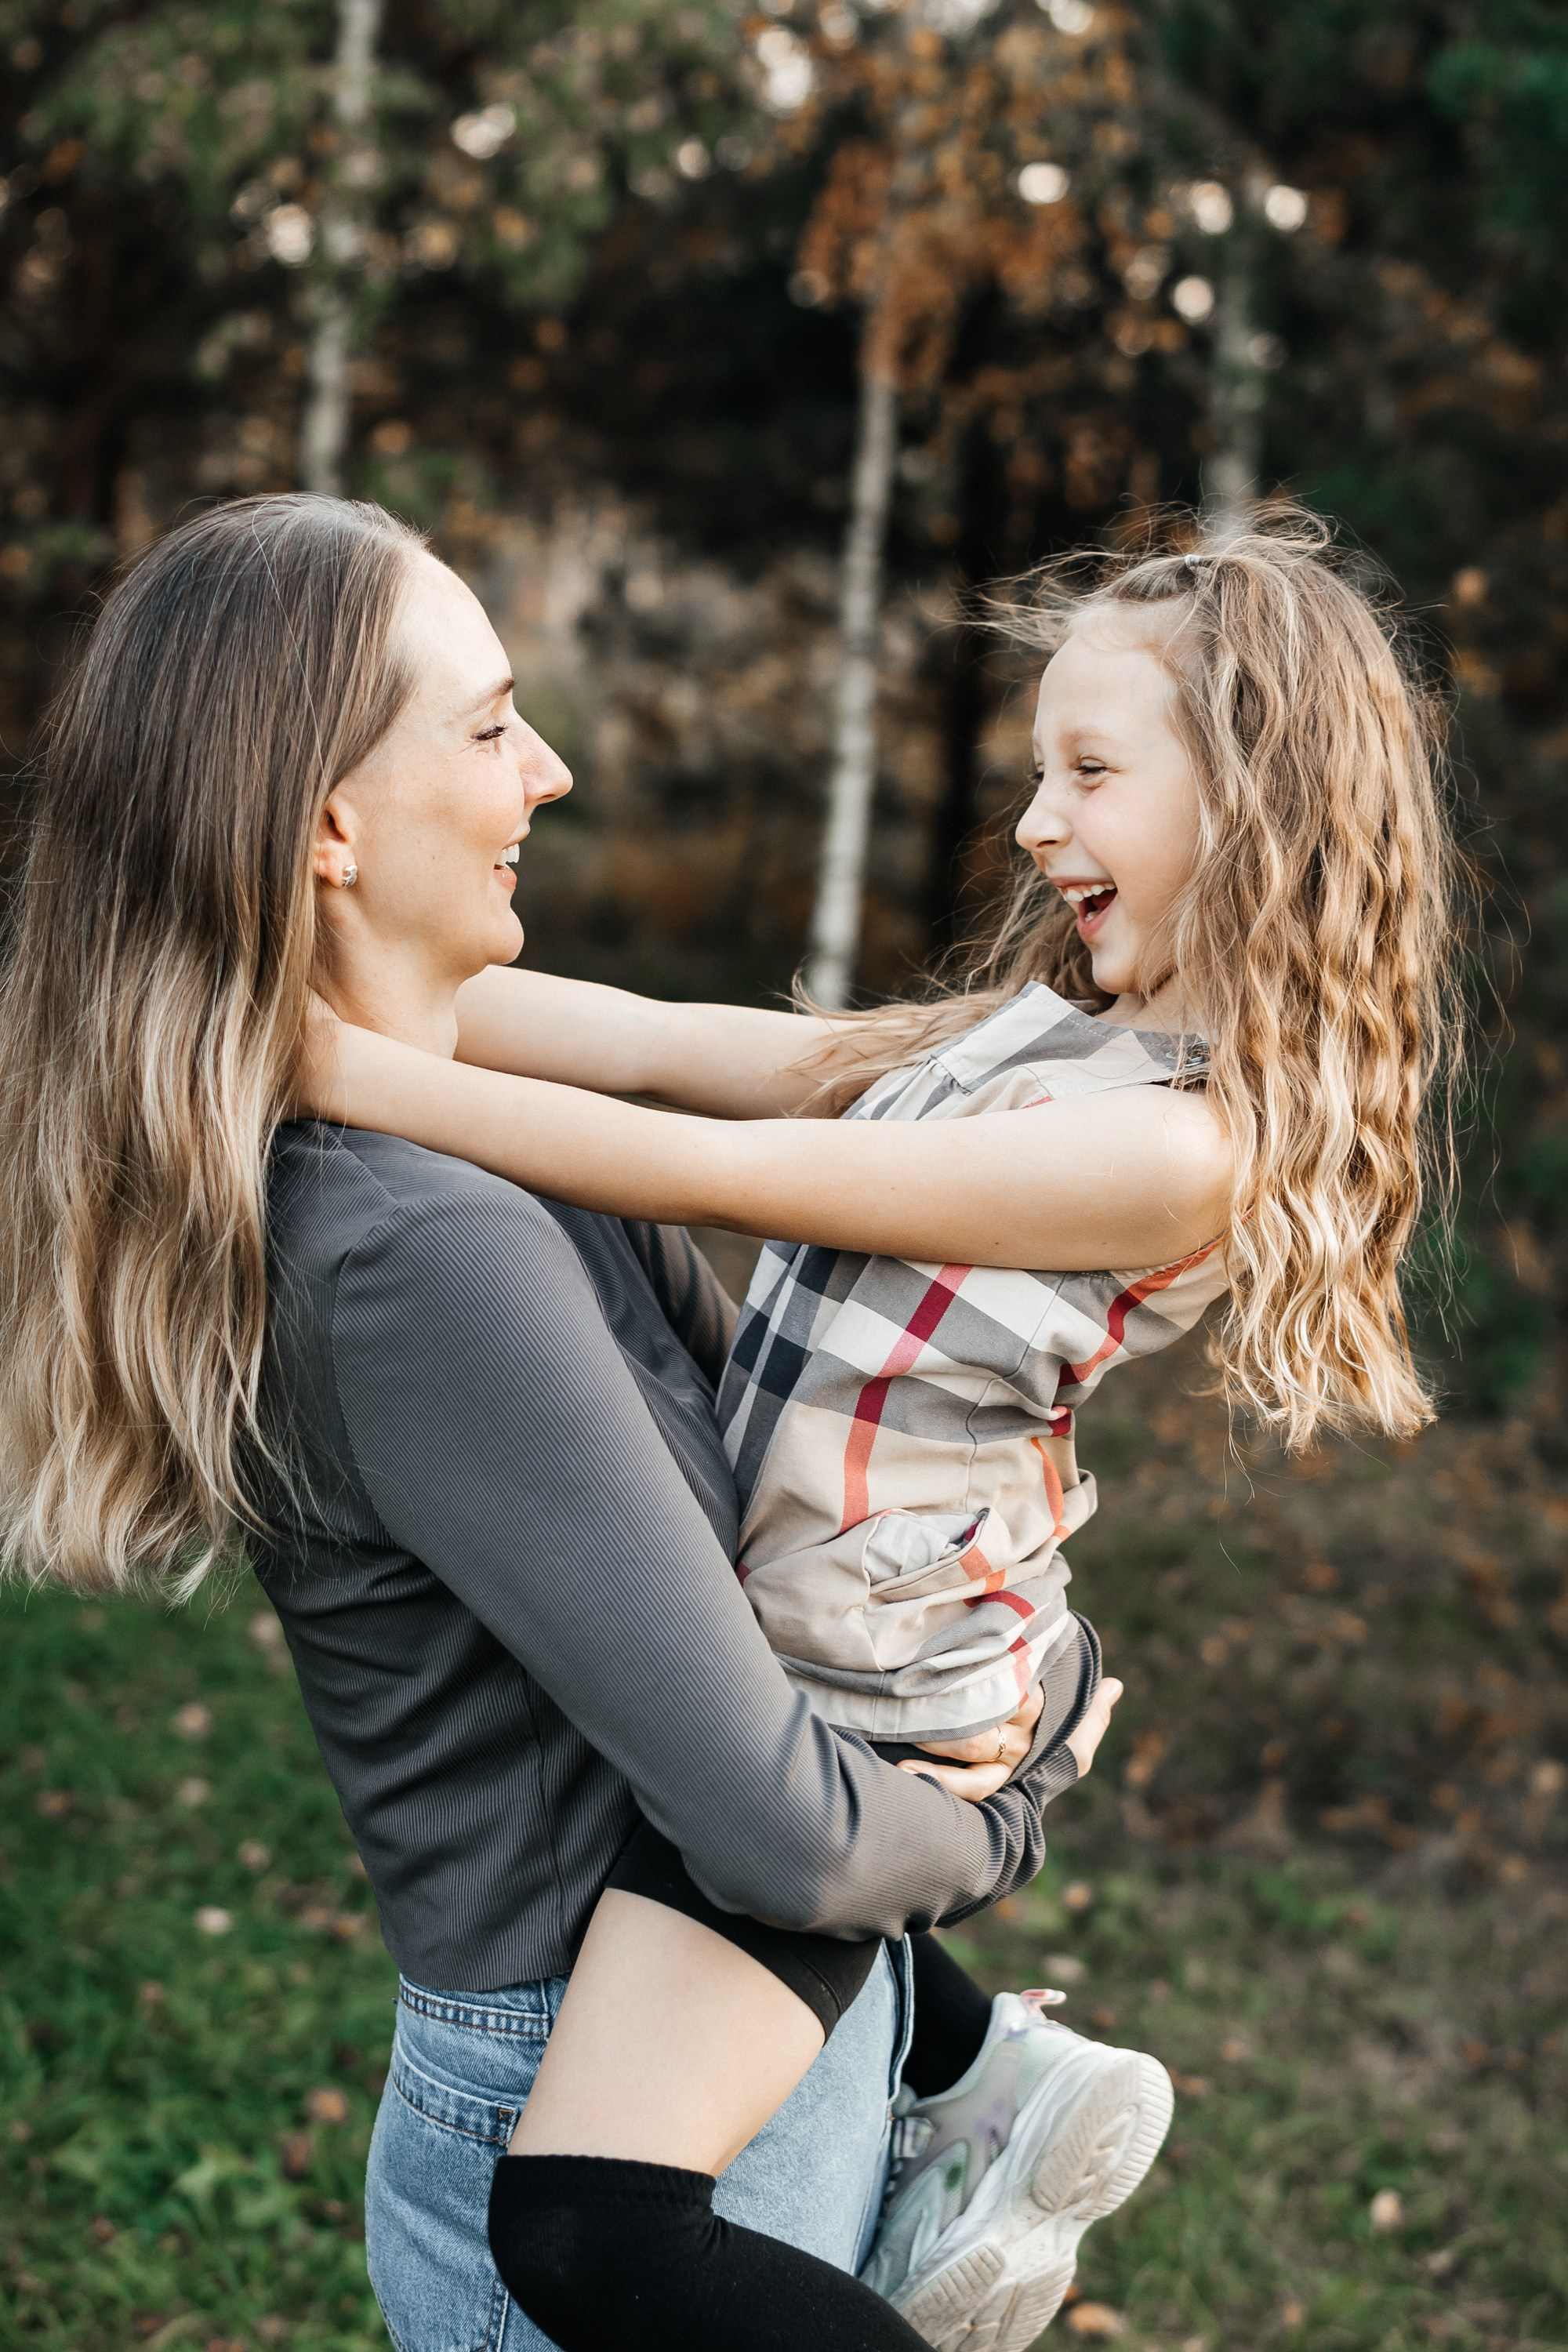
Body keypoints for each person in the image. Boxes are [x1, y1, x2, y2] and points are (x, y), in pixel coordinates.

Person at [306, 509, 1460, 2350]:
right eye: (1036, 771)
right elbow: (676, 1048)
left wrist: (349, 1072)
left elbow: (728, 1167)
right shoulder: (1033, 1043)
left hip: (877, 1687)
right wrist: (314, 975)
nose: (1033, 821)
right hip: (854, 1625)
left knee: (588, 2233)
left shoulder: (1180, 1145)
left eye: (1090, 772)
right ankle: (984, 2070)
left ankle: (964, 2087)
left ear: (1259, 808)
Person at [0, 494, 1127, 2352]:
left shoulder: (478, 1125)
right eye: (488, 721)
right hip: (597, 2128)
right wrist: (1015, 1797)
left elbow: (776, 1439)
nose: (555, 767)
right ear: (327, 827)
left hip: (731, 2055)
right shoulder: (407, 1245)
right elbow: (786, 1835)